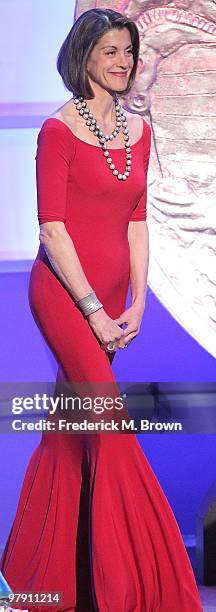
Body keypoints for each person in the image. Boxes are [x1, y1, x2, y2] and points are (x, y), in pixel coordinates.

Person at [0, 8, 203, 612]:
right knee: (110, 430)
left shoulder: (139, 134)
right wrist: (94, 312)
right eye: (110, 51)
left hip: (116, 298)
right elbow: (53, 231)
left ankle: (35, 581)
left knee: (68, 437)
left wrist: (138, 303)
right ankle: (142, 592)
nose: (123, 62)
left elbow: (137, 221)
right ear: (83, 57)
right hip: (65, 296)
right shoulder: (58, 132)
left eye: (128, 52)